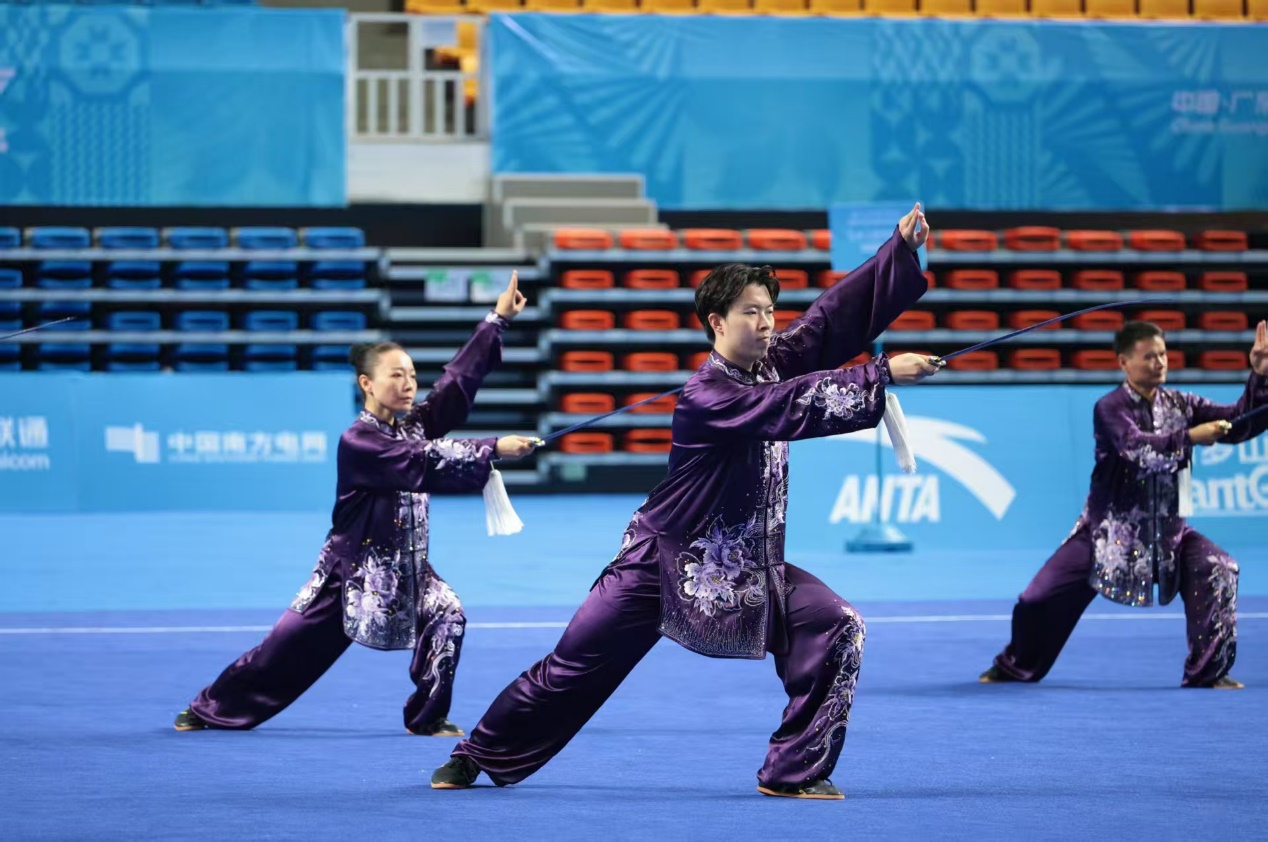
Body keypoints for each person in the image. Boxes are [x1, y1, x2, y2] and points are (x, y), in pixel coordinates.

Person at [430, 204, 940, 800]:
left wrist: (899, 249)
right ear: (716, 322)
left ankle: (793, 771)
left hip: (747, 566)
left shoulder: (774, 362)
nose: (766, 323)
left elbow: (830, 320)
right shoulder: (706, 395)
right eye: (750, 312)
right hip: (659, 562)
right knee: (571, 668)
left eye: (769, 311)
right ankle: (477, 753)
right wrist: (880, 375)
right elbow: (786, 406)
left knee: (838, 626)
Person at [174, 273, 539, 735]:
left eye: (412, 375)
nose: (408, 384)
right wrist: (495, 447)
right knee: (283, 651)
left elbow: (455, 383)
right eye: (396, 375)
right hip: (351, 574)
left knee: (448, 615)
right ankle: (211, 706)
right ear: (367, 383)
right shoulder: (359, 441)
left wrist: (496, 320)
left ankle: (427, 717)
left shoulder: (413, 425)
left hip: (410, 568)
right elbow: (423, 460)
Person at [980, 319, 1268, 690]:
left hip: (1170, 535)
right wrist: (1191, 438)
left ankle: (1207, 672)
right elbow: (1137, 450)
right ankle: (1016, 665)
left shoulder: (1183, 404)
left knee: (1219, 566)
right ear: (1123, 362)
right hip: (1106, 535)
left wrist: (1260, 376)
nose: (1159, 363)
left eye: (1162, 354)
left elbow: (1239, 423)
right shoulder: (1109, 408)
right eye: (1149, 357)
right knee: (1036, 599)